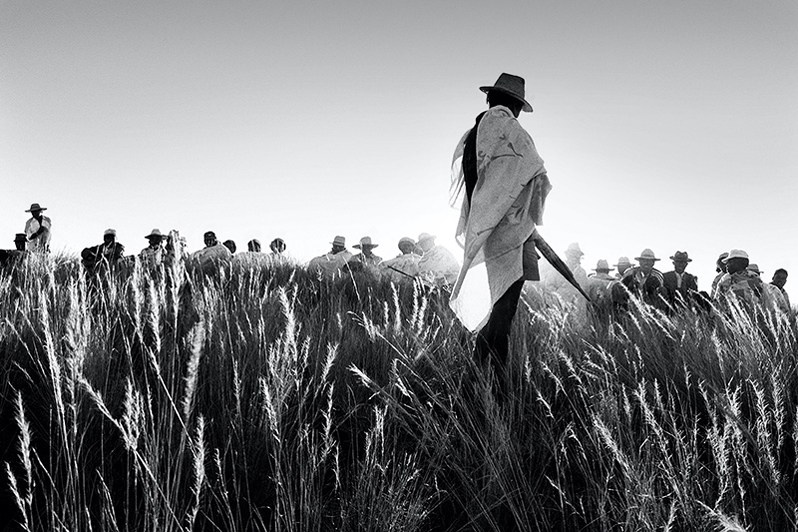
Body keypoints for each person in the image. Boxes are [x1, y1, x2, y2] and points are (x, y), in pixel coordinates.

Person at [449, 72, 552, 372]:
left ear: (489, 98)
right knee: (502, 317)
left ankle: (480, 378)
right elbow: (540, 182)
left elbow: (476, 190)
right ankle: (490, 385)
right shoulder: (514, 133)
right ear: (517, 106)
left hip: (481, 234)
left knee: (491, 314)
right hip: (512, 238)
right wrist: (530, 218)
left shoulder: (473, 135)